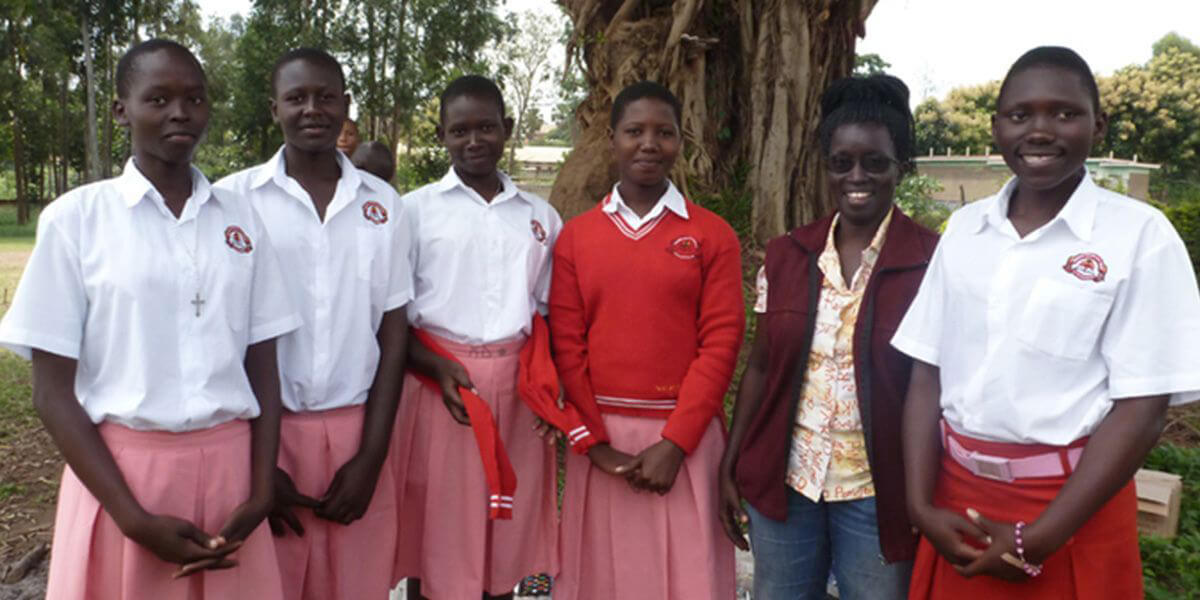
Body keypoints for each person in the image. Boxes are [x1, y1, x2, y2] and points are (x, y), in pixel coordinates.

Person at [891, 46, 1200, 599]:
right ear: (995, 126)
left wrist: (1040, 539)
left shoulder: (1139, 237)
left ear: (1098, 124)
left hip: (1069, 510)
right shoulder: (964, 230)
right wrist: (920, 505)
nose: (1040, 130)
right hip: (956, 504)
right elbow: (925, 373)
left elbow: (1143, 407)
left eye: (1064, 113)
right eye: (1019, 115)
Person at [0, 39, 300, 600]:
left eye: (195, 98)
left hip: (233, 475)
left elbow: (264, 367)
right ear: (121, 109)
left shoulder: (242, 220)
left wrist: (260, 492)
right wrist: (133, 518)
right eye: (158, 98)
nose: (180, 113)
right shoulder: (77, 220)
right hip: (124, 477)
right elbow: (51, 393)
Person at [717, 74, 937, 600]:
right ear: (826, 166)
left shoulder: (933, 262)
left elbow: (940, 390)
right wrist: (731, 464)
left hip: (880, 491)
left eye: (875, 162)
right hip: (787, 485)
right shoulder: (786, 254)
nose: (856, 176)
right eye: (842, 162)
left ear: (899, 167)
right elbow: (763, 366)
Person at [215, 47, 412, 600]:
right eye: (296, 98)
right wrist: (259, 469)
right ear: (273, 107)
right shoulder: (232, 201)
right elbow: (222, 337)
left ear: (346, 105)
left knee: (355, 582)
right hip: (261, 434)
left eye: (326, 97)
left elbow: (393, 336)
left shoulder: (384, 205)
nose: (311, 109)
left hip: (357, 429)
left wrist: (372, 458)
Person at [549, 80, 745, 600]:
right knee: (602, 580)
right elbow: (567, 346)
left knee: (687, 580)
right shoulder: (577, 236)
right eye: (634, 131)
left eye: (665, 132)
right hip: (604, 443)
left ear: (682, 141)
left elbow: (721, 341)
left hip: (684, 441)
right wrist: (594, 445)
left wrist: (676, 444)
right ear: (611, 140)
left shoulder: (712, 234)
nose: (649, 144)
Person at [391, 74, 561, 600]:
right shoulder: (414, 212)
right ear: (441, 135)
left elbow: (547, 311)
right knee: (438, 526)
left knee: (503, 532)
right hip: (439, 384)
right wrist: (435, 367)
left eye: (485, 127)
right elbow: (392, 316)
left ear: (506, 129)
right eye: (459, 130)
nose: (473, 141)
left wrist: (549, 391)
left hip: (515, 387)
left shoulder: (539, 217)